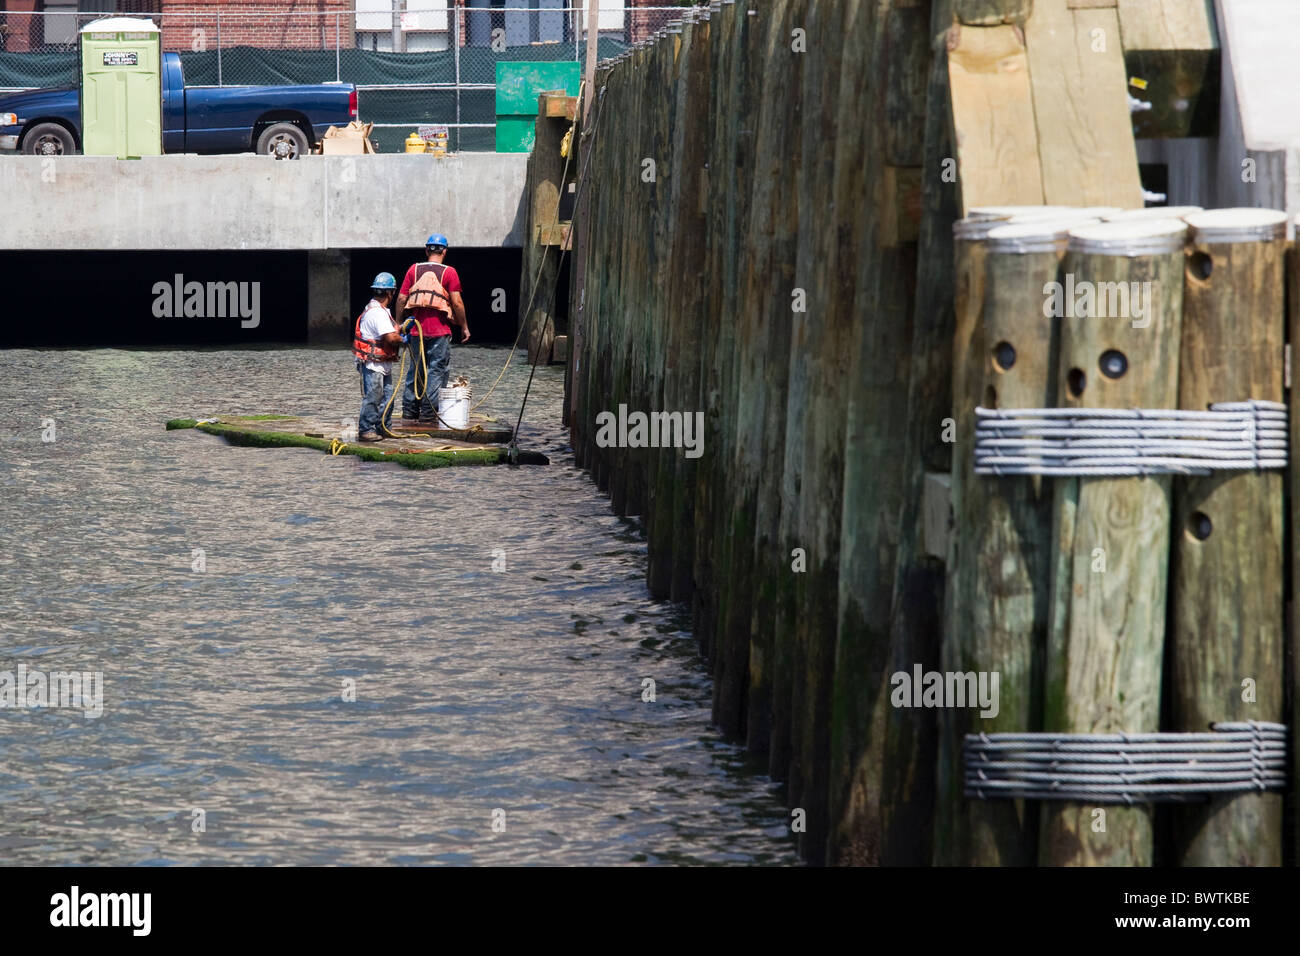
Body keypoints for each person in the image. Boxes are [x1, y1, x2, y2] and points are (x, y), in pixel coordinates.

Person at [395, 232, 470, 422]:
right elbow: (457, 302)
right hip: (440, 332)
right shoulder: (449, 272)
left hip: (415, 331)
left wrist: (398, 323)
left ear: (427, 249)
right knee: (436, 371)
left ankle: (409, 413)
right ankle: (429, 415)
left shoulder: (413, 270)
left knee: (415, 370)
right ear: (444, 251)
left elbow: (402, 298)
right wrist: (464, 326)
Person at [353, 273, 402, 442]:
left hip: (381, 363)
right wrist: (404, 339)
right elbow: (391, 338)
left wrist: (401, 327)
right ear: (391, 293)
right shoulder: (378, 313)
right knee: (374, 397)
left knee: (388, 397)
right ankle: (366, 429)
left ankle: (383, 428)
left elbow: (389, 331)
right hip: (373, 364)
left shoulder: (377, 310)